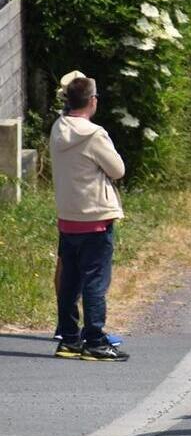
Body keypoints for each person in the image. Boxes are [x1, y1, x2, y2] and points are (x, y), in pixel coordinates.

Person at [51, 75, 128, 362]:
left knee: (69, 280)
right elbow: (118, 169)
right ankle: (94, 340)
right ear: (92, 101)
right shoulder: (95, 134)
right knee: (95, 281)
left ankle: (69, 338)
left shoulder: (58, 128)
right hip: (96, 217)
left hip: (68, 217)